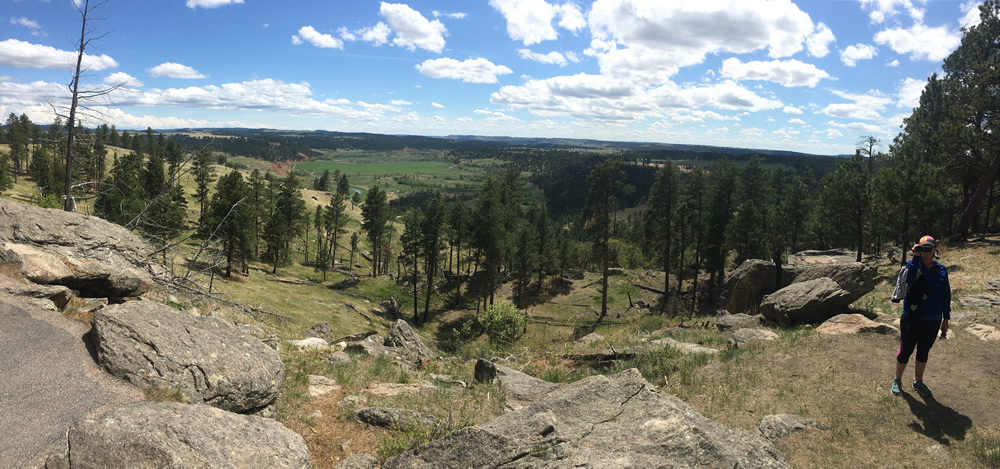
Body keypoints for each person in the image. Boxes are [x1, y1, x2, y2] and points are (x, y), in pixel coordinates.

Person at [889, 235, 950, 397]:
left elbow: (946, 295)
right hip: (912, 317)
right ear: (918, 249)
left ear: (934, 250)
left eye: (929, 248)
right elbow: (909, 279)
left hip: (933, 318)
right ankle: (897, 379)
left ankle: (918, 381)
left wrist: (946, 317)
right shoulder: (911, 265)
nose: (926, 252)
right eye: (922, 248)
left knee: (923, 351)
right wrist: (915, 257)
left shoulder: (941, 269)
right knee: (905, 350)